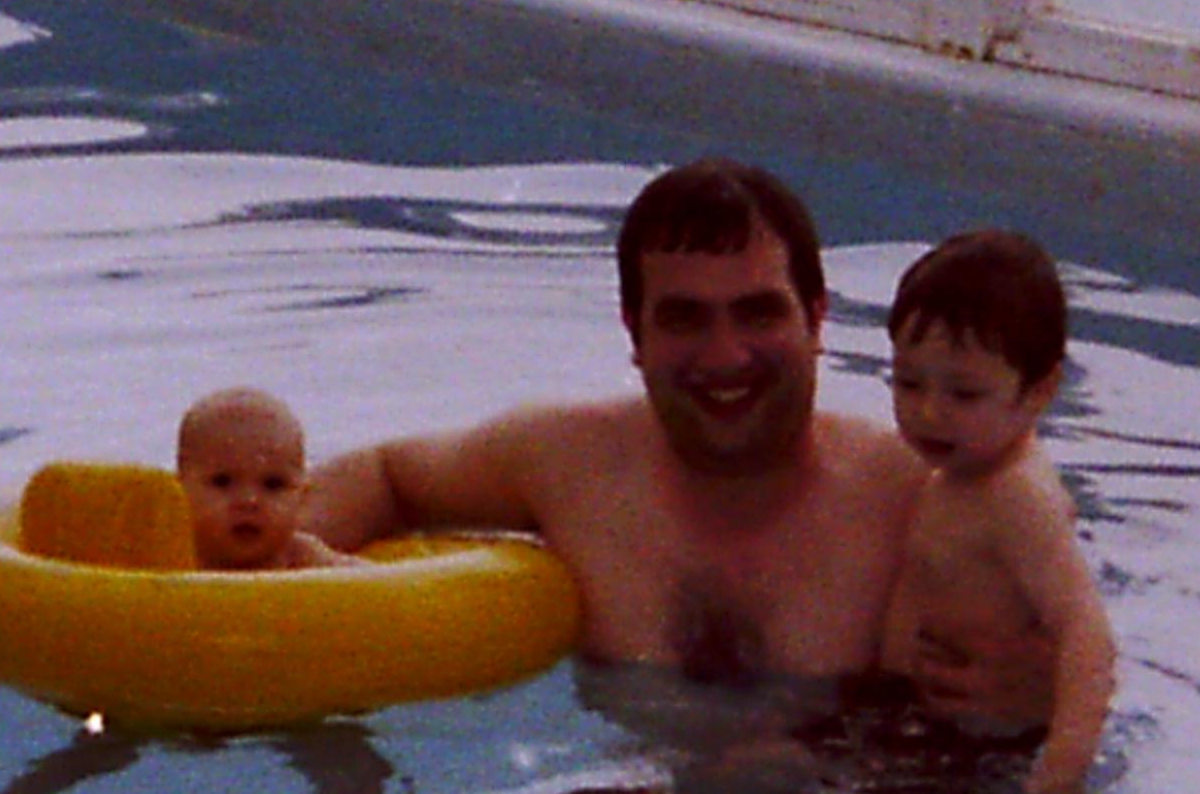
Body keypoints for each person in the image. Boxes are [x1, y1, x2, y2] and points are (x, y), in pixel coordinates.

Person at [299, 159, 925, 693]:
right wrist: (279, 571)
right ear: (635, 333)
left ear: (816, 319)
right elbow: (384, 475)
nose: (725, 357)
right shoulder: (568, 464)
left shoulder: (911, 498)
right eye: (684, 319)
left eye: (757, 314)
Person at [877, 230, 1117, 794]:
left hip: (984, 753)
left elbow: (1086, 633)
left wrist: (1061, 772)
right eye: (908, 382)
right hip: (921, 728)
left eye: (963, 395)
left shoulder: (1016, 496)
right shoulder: (956, 473)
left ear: (1039, 391)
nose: (927, 411)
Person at [175, 385, 340, 572]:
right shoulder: (171, 552)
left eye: (273, 485)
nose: (249, 501)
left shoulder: (302, 556)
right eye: (223, 482)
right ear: (180, 490)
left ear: (302, 498)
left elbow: (366, 578)